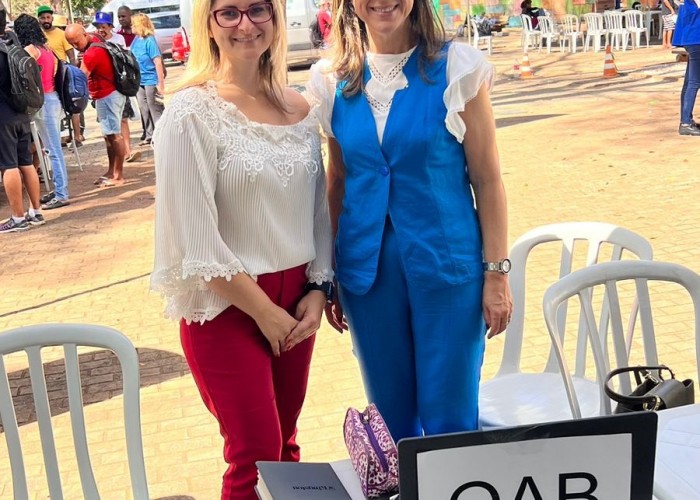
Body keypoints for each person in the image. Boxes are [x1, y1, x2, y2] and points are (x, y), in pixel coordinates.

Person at [150, 0, 333, 496]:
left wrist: (318, 289)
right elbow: (196, 240)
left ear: (275, 18)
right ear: (208, 24)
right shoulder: (191, 112)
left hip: (296, 298)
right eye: (228, 12)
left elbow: (318, 211)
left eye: (258, 10)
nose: (245, 24)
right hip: (227, 304)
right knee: (254, 454)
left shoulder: (299, 108)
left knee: (286, 447)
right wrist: (265, 314)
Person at [307, 0, 512, 442]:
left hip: (448, 266)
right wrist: (328, 276)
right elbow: (337, 181)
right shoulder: (329, 80)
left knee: (450, 416)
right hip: (367, 273)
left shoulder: (458, 68)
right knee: (390, 417)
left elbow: (488, 179)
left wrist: (496, 273)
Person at [14, 13, 70, 210]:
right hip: (52, 98)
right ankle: (59, 189)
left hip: (43, 102)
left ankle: (62, 193)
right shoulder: (45, 47)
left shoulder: (29, 50)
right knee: (51, 148)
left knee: (53, 149)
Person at [65, 23, 127, 185]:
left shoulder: (92, 52)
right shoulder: (95, 39)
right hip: (109, 94)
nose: (74, 47)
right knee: (108, 135)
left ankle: (118, 175)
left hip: (108, 95)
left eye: (76, 42)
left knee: (114, 135)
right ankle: (111, 170)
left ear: (84, 35)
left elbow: (81, 78)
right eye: (71, 44)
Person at [0, 6, 44, 232]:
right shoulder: (14, 42)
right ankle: (36, 211)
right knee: (26, 162)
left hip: (3, 116)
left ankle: (17, 218)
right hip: (22, 111)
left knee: (8, 166)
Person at [92, 11, 141, 163]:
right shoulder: (94, 41)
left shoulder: (118, 39)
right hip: (102, 88)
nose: (101, 29)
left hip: (119, 85)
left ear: (111, 27)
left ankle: (127, 151)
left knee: (123, 119)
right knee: (107, 124)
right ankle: (115, 156)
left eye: (104, 26)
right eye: (98, 26)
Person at [37, 5, 83, 146]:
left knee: (70, 104)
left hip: (61, 76)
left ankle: (77, 136)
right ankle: (58, 138)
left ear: (52, 18)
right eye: (43, 17)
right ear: (38, 19)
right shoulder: (37, 35)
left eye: (48, 17)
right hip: (45, 78)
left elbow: (71, 56)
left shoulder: (61, 34)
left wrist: (72, 73)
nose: (46, 20)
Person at [130, 13, 164, 146]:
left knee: (154, 107)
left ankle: (160, 134)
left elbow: (158, 62)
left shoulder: (150, 40)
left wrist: (161, 83)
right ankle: (149, 134)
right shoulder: (136, 40)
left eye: (134, 24)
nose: (132, 26)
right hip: (139, 79)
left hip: (150, 79)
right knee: (143, 108)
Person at [673, 0, 700, 135]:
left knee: (689, 82)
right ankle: (685, 123)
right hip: (696, 39)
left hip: (691, 39)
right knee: (694, 82)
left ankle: (686, 119)